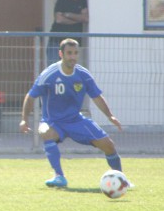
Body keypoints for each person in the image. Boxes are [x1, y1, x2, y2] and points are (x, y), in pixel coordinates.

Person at [20, 38, 130, 189]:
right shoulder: (49, 74)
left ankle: (121, 180)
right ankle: (59, 176)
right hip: (53, 121)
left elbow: (96, 97)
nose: (73, 57)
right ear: (61, 54)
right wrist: (24, 119)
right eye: (69, 53)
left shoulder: (83, 74)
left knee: (109, 145)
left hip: (76, 120)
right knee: (45, 132)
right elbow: (30, 96)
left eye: (75, 53)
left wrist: (110, 116)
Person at [46, 0, 89, 66]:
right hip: (56, 41)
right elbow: (59, 19)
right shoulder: (61, 1)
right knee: (54, 68)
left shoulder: (83, 1)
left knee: (69, 69)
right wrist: (77, 19)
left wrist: (69, 15)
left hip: (73, 43)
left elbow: (85, 18)